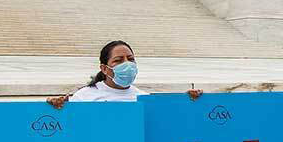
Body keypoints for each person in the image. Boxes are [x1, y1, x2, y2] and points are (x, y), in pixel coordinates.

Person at [47, 40, 202, 106]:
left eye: (130, 59)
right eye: (118, 60)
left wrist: (188, 101)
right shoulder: (84, 97)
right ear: (104, 68)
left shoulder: (144, 98)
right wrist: (55, 106)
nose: (126, 64)